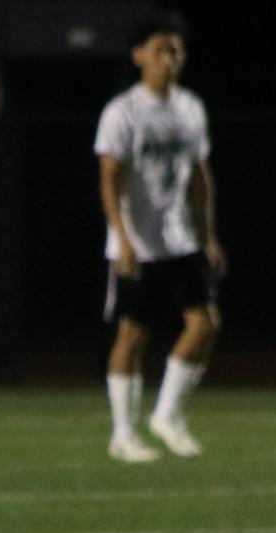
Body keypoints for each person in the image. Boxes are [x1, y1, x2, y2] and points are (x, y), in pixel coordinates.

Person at [94, 8, 225, 463]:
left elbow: (198, 176)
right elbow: (109, 178)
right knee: (132, 334)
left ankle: (167, 416)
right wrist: (123, 240)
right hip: (139, 243)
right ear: (139, 56)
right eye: (160, 50)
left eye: (176, 49)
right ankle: (123, 433)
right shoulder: (123, 111)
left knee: (204, 323)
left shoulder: (190, 108)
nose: (170, 58)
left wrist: (207, 236)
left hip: (180, 238)